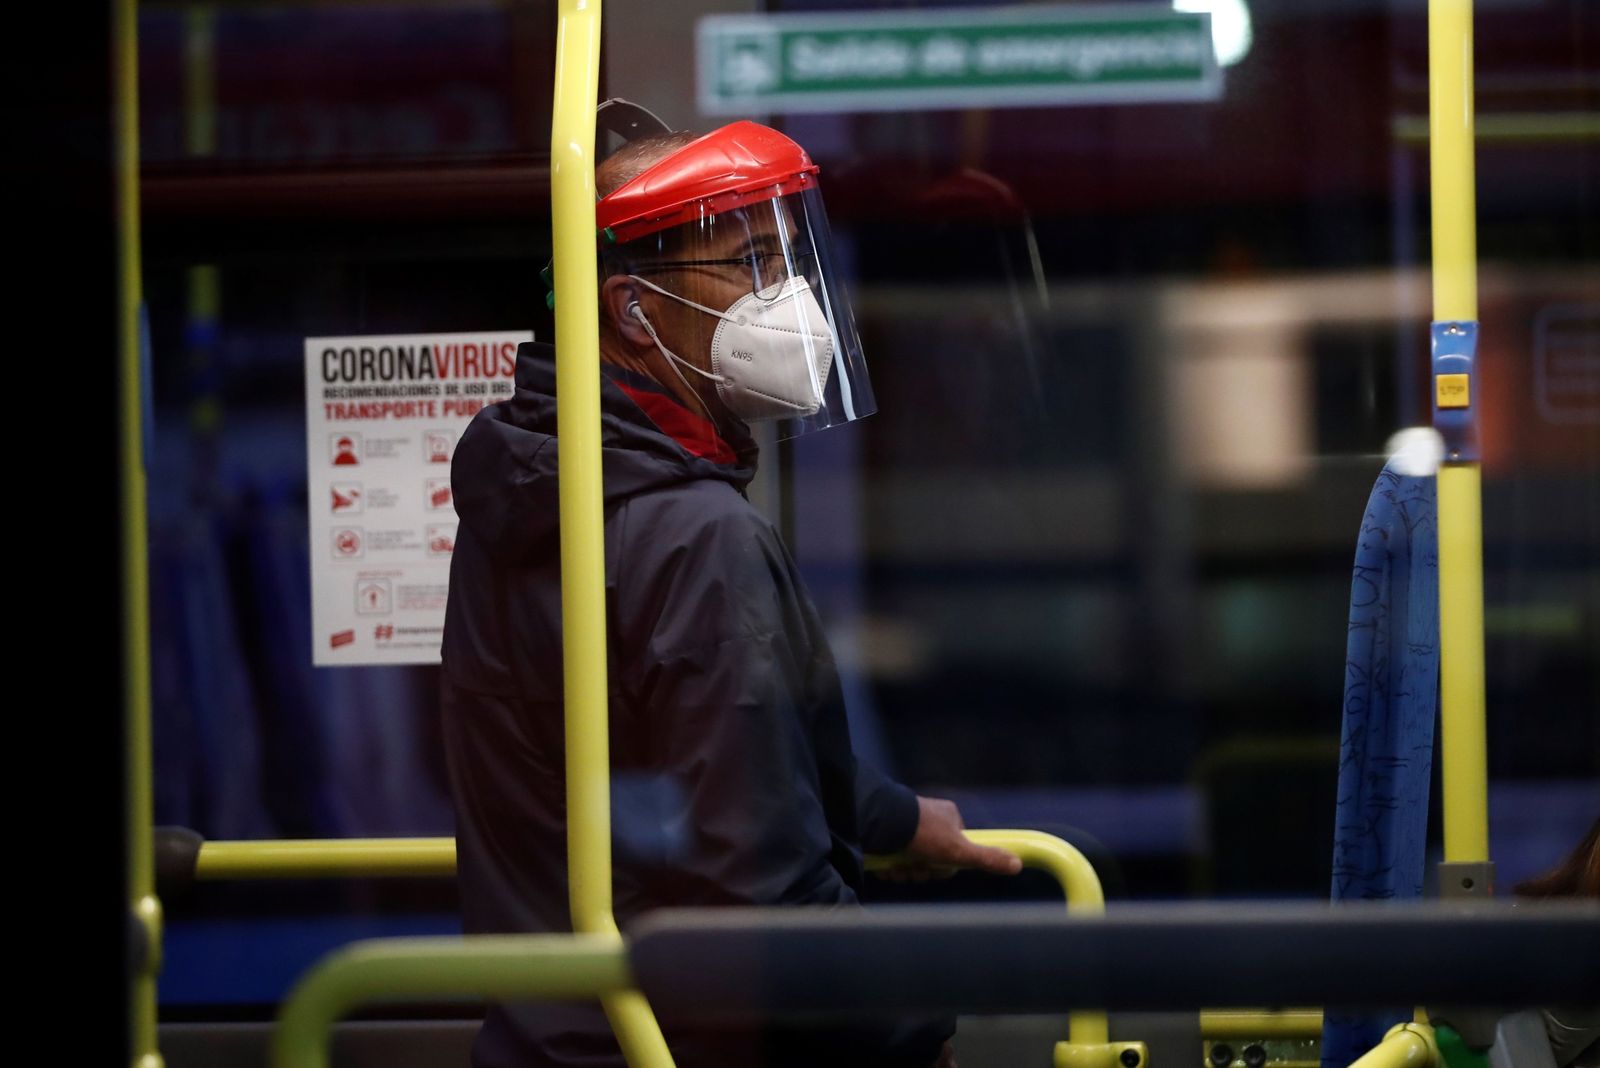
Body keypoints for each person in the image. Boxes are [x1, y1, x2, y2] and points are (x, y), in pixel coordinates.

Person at [439, 119, 1021, 1068]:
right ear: (633, 310)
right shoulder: (698, 534)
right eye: (750, 263)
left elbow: (679, 755)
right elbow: (763, 890)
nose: (788, 297)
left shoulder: (534, 489)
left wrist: (889, 819)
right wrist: (917, 1033)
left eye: (787, 258)